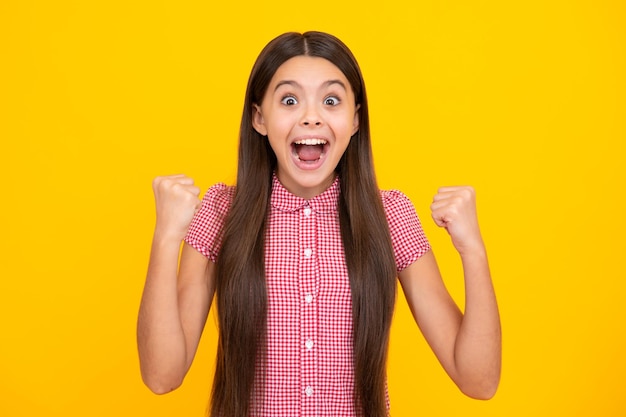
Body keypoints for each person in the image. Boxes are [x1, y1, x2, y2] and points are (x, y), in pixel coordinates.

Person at [137, 31, 501, 417]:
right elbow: (162, 375)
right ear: (260, 118)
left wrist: (473, 251)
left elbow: (478, 380)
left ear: (356, 119)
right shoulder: (221, 213)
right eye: (290, 100)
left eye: (331, 100)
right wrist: (165, 238)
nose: (311, 116)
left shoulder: (389, 215)